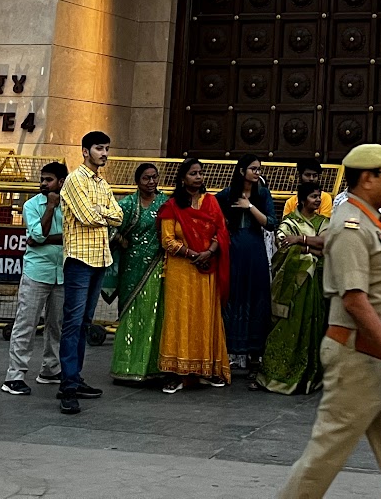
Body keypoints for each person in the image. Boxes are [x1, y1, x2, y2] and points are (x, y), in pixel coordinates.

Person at [278, 143, 381, 499]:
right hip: (360, 358)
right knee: (326, 454)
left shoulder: (370, 220)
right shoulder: (350, 225)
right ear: (367, 178)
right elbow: (355, 301)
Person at [57, 130, 123, 414]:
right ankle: (67, 385)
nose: (104, 153)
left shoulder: (101, 182)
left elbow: (118, 215)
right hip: (79, 259)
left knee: (84, 321)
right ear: (85, 151)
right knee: (72, 322)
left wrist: (102, 213)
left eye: (107, 148)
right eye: (99, 148)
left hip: (100, 258)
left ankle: (76, 377)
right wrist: (103, 213)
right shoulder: (74, 180)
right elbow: (86, 216)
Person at [157, 155, 230, 389]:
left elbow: (221, 232)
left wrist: (208, 252)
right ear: (182, 178)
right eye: (193, 173)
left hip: (206, 270)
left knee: (205, 317)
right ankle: (175, 373)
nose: (198, 177)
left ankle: (206, 369)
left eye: (200, 173)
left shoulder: (211, 202)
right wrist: (192, 255)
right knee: (179, 318)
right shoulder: (171, 206)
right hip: (181, 271)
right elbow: (167, 241)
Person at [258, 180, 331, 394]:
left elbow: (328, 244)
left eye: (319, 196)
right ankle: (280, 376)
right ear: (301, 200)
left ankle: (309, 377)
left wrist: (301, 241)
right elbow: (283, 246)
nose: (318, 200)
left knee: (312, 328)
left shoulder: (324, 221)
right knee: (286, 327)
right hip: (292, 288)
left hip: (315, 285)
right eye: (313, 196)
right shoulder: (288, 222)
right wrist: (312, 247)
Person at [3, 162, 67, 395]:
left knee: (56, 324)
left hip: (62, 273)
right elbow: (38, 235)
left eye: (48, 180)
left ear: (61, 182)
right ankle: (14, 375)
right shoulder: (32, 205)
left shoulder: (70, 204)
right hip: (37, 271)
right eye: (42, 179)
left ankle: (50, 369)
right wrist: (50, 208)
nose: (43, 184)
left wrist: (43, 238)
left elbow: (73, 236)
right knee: (26, 323)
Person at [217, 153, 278, 378]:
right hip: (233, 251)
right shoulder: (226, 194)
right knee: (234, 297)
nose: (257, 172)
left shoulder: (262, 194)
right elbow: (211, 211)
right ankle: (226, 354)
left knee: (257, 298)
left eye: (259, 169)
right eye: (253, 168)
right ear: (242, 171)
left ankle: (254, 356)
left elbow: (271, 223)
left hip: (255, 251)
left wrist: (249, 206)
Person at [109, 162, 167, 384]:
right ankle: (125, 368)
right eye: (146, 178)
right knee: (130, 314)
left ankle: (151, 368)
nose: (151, 182)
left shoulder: (165, 203)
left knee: (153, 315)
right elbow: (110, 226)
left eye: (154, 177)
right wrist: (121, 240)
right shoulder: (128, 204)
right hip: (131, 267)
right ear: (137, 181)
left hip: (156, 266)